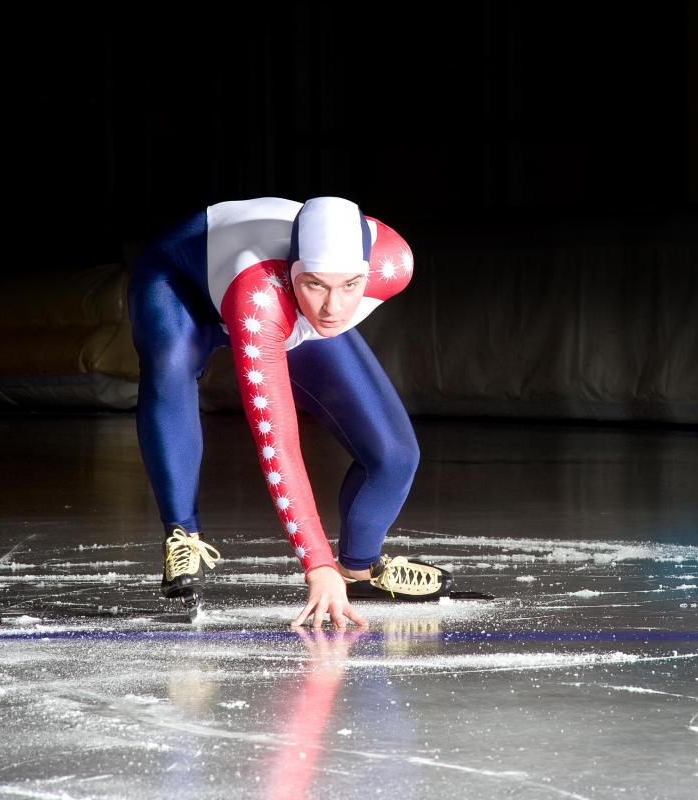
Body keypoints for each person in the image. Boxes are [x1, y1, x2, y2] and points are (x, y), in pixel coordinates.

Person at [126, 196, 453, 629]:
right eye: (316, 283)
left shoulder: (394, 265)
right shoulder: (262, 295)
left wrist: (316, 292)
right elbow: (278, 442)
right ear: (292, 272)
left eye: (351, 285)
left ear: (368, 272)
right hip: (181, 282)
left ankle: (360, 565)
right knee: (170, 363)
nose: (334, 307)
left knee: (395, 456)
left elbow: (330, 300)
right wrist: (317, 565)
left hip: (282, 305)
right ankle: (182, 532)